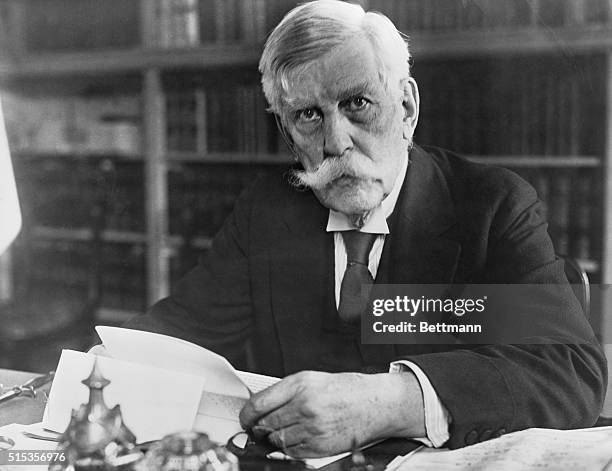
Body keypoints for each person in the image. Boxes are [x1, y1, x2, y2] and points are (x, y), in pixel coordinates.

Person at [124, 0, 607, 458]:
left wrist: (389, 402)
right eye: (308, 115)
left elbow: (568, 371)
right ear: (287, 133)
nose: (336, 142)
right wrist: (95, 371)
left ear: (407, 108)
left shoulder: (492, 205)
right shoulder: (266, 212)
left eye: (357, 103)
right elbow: (178, 336)